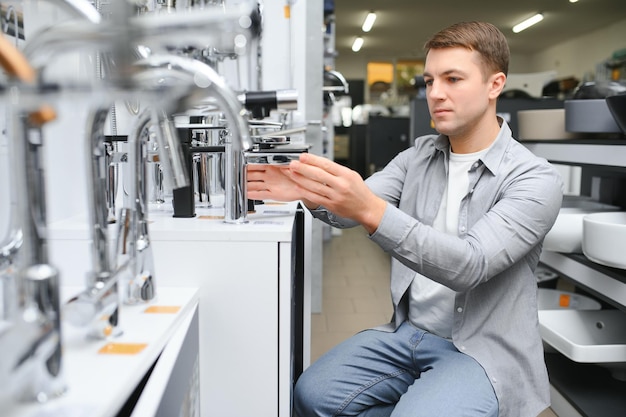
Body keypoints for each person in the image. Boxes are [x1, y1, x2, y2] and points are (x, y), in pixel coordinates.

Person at [247, 21, 563, 417]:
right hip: (409, 333)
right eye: (429, 81)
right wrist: (307, 189)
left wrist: (369, 209)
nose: (435, 93)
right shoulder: (419, 156)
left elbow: (470, 264)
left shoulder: (535, 178)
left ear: (494, 84)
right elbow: (350, 212)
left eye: (452, 79)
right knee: (312, 394)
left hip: (482, 349)